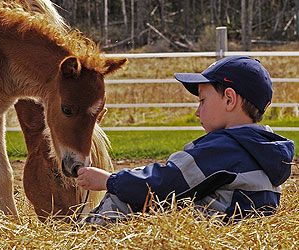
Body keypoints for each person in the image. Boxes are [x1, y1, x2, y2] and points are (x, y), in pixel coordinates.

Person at [76, 56, 295, 225]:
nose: (198, 112)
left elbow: (165, 182)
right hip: (234, 233)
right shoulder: (265, 150)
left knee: (122, 198)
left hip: (210, 231)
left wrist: (109, 181)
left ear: (229, 99)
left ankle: (84, 238)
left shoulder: (224, 149)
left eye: (202, 101)